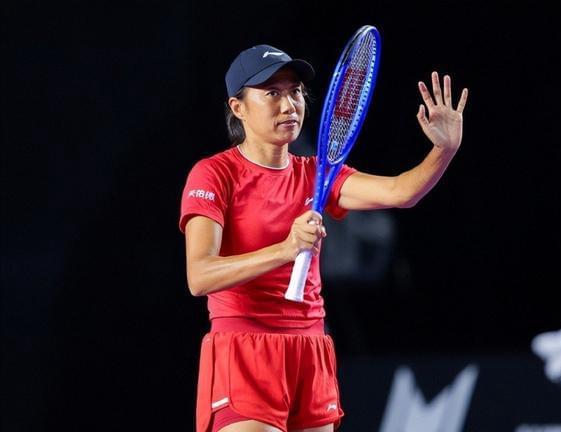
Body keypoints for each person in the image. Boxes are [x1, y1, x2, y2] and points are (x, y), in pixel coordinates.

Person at [179, 44, 468, 432]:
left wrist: (444, 150)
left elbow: (402, 192)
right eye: (272, 93)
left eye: (295, 92)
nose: (289, 105)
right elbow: (200, 275)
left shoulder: (317, 173)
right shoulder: (215, 174)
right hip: (245, 348)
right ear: (238, 107)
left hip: (311, 348)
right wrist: (285, 249)